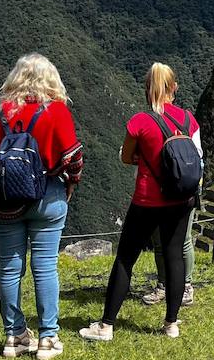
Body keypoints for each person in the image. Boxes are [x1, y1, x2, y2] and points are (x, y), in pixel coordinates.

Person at [0, 53, 83, 360]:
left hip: (5, 203)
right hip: (48, 197)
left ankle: (14, 337)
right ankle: (47, 338)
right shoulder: (56, 111)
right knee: (44, 267)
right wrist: (70, 182)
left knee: (9, 267)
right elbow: (73, 158)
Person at [81, 62, 200, 343]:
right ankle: (171, 324)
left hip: (148, 199)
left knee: (125, 258)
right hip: (181, 199)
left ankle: (106, 325)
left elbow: (126, 157)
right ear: (174, 88)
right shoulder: (188, 119)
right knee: (174, 257)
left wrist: (143, 157)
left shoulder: (140, 121)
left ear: (148, 89)